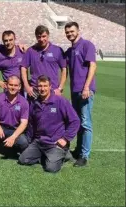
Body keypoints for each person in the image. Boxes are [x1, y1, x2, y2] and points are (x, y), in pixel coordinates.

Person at [18, 75, 80, 173]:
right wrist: (30, 140)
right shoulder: (34, 103)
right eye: (40, 86)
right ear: (36, 87)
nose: (42, 89)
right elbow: (31, 124)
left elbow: (75, 121)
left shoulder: (60, 101)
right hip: (39, 142)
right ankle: (48, 157)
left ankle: (63, 154)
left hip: (55, 143)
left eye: (45, 86)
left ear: (50, 86)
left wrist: (65, 138)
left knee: (51, 168)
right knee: (23, 160)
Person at [64, 22, 97, 167]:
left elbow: (93, 66)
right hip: (74, 91)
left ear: (78, 31)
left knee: (85, 122)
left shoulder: (87, 45)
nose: (69, 34)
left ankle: (84, 155)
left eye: (72, 31)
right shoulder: (70, 50)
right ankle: (78, 150)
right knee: (77, 122)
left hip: (85, 90)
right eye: (67, 32)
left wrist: (86, 87)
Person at [0, 76, 30, 163]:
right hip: (0, 128)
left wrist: (13, 137)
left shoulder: (24, 102)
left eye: (15, 85)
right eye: (10, 85)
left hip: (14, 130)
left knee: (24, 143)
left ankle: (10, 150)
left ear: (19, 87)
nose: (13, 87)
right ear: (6, 85)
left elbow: (24, 123)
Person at [21, 25, 67, 100]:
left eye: (44, 36)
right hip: (35, 91)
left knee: (53, 111)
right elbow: (23, 68)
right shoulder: (30, 51)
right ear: (36, 37)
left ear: (48, 35)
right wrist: (27, 87)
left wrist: (60, 88)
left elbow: (64, 69)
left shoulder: (57, 50)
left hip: (53, 91)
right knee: (34, 112)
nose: (41, 39)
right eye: (39, 37)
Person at [0, 30, 25, 94]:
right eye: (6, 40)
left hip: (22, 89)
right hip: (8, 90)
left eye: (11, 40)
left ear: (15, 39)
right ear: (3, 41)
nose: (8, 42)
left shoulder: (22, 51)